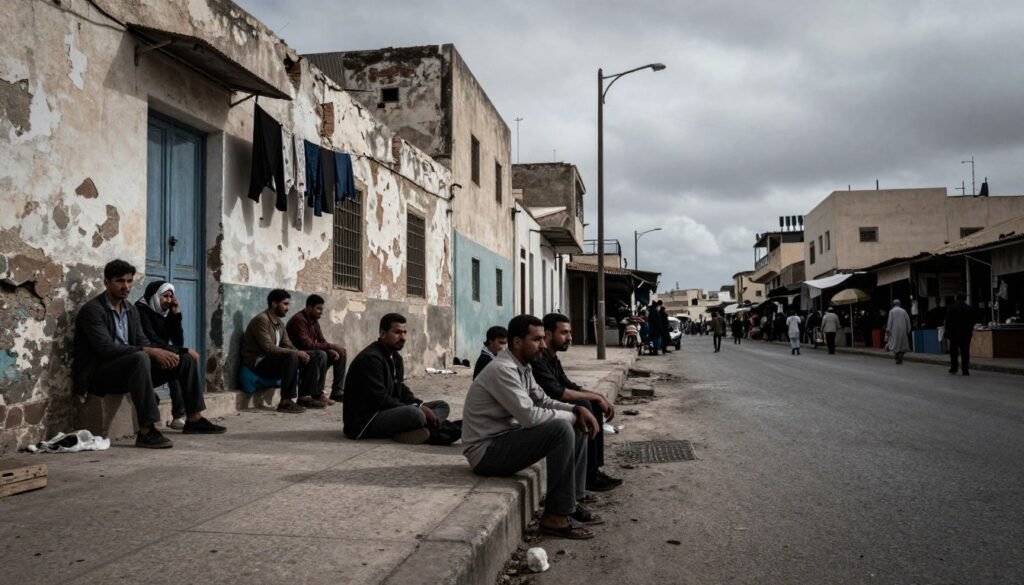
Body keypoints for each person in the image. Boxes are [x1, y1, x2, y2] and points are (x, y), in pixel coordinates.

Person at [463, 315, 602, 540]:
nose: (544, 345)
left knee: (575, 422)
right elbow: (529, 416)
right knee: (562, 429)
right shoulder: (503, 369)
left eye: (543, 339)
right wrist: (570, 417)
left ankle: (570, 504)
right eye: (537, 340)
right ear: (517, 342)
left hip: (505, 440)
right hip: (485, 452)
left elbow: (543, 400)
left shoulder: (524, 367)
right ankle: (555, 518)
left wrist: (575, 410)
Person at [73, 260, 225, 449]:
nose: (126, 286)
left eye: (129, 281)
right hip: (101, 375)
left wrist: (179, 352)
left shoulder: (130, 309)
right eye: (120, 281)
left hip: (132, 370)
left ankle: (194, 419)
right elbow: (106, 348)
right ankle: (146, 431)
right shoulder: (93, 311)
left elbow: (143, 342)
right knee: (140, 357)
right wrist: (149, 351)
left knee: (184, 360)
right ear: (106, 282)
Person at [533, 313, 623, 492]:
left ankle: (593, 471)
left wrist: (599, 396)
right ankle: (588, 475)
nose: (570, 338)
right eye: (564, 333)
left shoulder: (552, 357)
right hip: (544, 407)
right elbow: (558, 392)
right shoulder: (539, 360)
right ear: (549, 335)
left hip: (554, 401)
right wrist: (595, 398)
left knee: (593, 403)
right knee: (586, 405)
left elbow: (567, 384)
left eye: (570, 333)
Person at [343, 313, 450, 443]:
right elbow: (380, 399)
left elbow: (400, 389)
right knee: (416, 414)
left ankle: (413, 431)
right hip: (366, 421)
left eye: (405, 332)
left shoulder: (396, 358)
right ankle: (424, 428)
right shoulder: (370, 359)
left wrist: (419, 404)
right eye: (397, 332)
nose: (403, 337)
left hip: (388, 410)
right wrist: (417, 408)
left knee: (442, 406)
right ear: (382, 334)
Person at [241, 289, 326, 413]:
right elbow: (268, 348)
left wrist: (302, 353)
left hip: (273, 361)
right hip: (258, 363)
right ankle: (285, 401)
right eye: (285, 304)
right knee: (291, 356)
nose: (288, 308)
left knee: (316, 355)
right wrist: (295, 353)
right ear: (274, 304)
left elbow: (288, 344)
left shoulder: (279, 323)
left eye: (288, 304)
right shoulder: (261, 320)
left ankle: (304, 397)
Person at [136, 280, 204, 430]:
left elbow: (178, 340)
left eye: (170, 297)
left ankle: (188, 417)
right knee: (178, 360)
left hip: (158, 357)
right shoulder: (141, 312)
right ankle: (180, 415)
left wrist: (176, 315)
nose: (168, 300)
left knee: (178, 360)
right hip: (143, 362)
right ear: (154, 296)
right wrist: (183, 351)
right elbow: (151, 341)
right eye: (164, 296)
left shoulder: (163, 313)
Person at [286, 294, 347, 405]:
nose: (321, 312)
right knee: (321, 354)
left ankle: (337, 391)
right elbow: (307, 345)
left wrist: (332, 349)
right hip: (299, 356)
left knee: (341, 352)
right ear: (309, 308)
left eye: (322, 309)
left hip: (313, 353)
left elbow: (321, 340)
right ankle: (317, 394)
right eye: (318, 309)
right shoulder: (299, 320)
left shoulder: (314, 321)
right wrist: (330, 346)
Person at [944, 293, 975, 376]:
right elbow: (972, 321)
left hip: (954, 334)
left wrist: (946, 332)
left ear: (956, 298)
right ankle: (965, 369)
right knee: (965, 352)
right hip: (966, 334)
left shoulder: (951, 308)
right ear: (965, 299)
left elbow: (948, 321)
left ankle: (954, 367)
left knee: (954, 352)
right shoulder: (969, 308)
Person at [885, 299, 912, 365]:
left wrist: (888, 330)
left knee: (895, 345)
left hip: (894, 331)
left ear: (894, 304)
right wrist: (908, 329)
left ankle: (897, 358)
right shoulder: (904, 311)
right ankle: (900, 358)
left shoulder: (891, 311)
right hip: (903, 330)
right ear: (899, 304)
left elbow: (890, 322)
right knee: (902, 345)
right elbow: (908, 320)